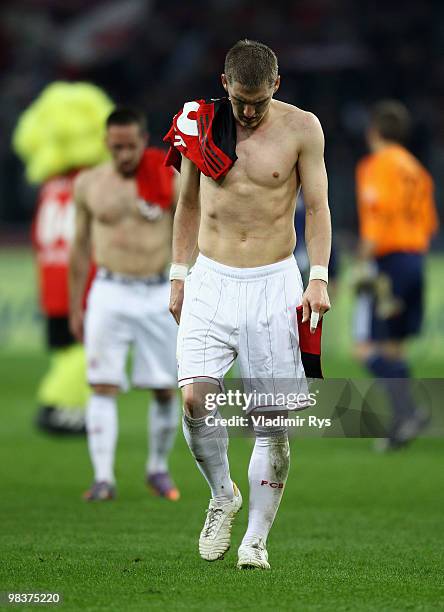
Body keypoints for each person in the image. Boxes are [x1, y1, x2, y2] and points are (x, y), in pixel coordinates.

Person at [165, 39, 331, 569]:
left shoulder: (303, 129)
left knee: (271, 420)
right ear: (225, 85)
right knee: (194, 399)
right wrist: (177, 272)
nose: (249, 111)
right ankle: (222, 494)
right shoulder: (199, 123)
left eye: (258, 101)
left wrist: (319, 277)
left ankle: (255, 540)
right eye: (240, 101)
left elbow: (319, 207)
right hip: (210, 276)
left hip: (274, 281)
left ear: (276, 86)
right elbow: (188, 202)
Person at [69, 107, 180, 501]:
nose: (125, 155)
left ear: (144, 140)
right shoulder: (89, 184)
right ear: (106, 143)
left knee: (165, 388)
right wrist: (75, 305)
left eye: (131, 146)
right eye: (116, 147)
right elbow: (80, 247)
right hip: (109, 290)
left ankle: (158, 468)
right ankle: (103, 478)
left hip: (156, 290)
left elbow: (190, 228)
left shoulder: (168, 176)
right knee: (102, 384)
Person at [12, 82, 113, 435]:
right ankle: (58, 406)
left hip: (51, 281)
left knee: (65, 350)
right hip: (83, 281)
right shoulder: (93, 183)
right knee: (86, 352)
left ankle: (67, 407)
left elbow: (40, 239)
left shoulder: (49, 187)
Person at [353, 100, 439, 450]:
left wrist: (363, 259)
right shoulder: (416, 168)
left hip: (388, 264)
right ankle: (402, 423)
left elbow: (378, 212)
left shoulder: (377, 165)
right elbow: (429, 222)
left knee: (365, 346)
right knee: (394, 348)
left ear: (373, 130)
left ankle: (410, 411)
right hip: (416, 260)